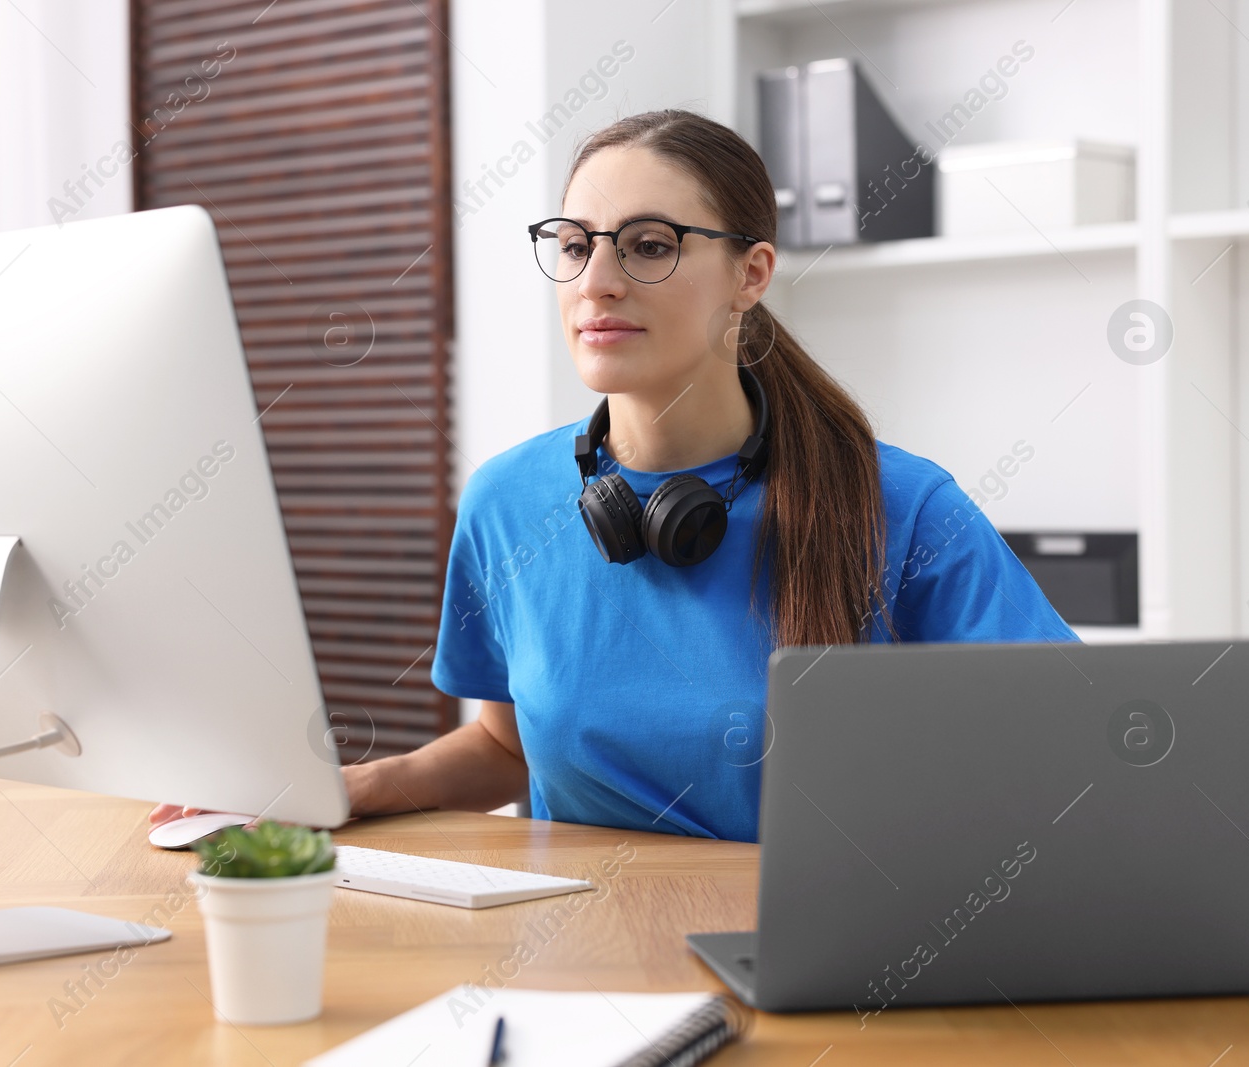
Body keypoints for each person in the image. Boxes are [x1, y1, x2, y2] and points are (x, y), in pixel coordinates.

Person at [152, 108, 1077, 843]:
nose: (596, 280)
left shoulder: (902, 508)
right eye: (575, 243)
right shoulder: (507, 501)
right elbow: (502, 747)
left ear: (750, 272)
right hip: (574, 960)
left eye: (647, 244)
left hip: (810, 961)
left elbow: (1062, 752)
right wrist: (327, 790)